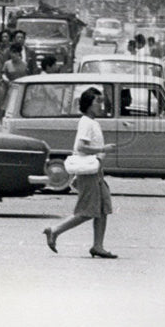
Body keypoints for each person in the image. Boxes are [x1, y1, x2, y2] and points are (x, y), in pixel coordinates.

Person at [44, 87, 117, 258]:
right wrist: (102, 149)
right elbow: (81, 147)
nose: (101, 105)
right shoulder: (86, 122)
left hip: (96, 170)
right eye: (97, 102)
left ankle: (98, 245)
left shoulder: (93, 122)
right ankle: (55, 230)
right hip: (89, 171)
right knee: (87, 211)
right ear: (89, 104)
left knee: (103, 207)